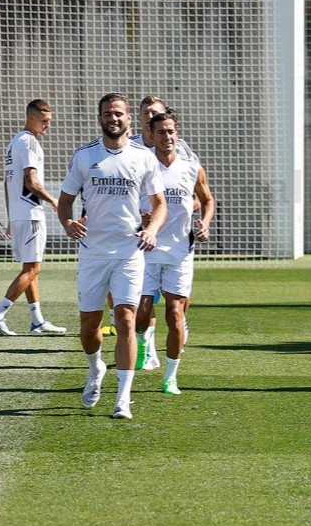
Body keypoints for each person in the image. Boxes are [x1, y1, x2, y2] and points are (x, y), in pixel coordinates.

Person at [58, 93, 167, 420]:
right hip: (92, 253)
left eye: (118, 113)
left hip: (128, 252)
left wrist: (152, 231)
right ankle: (95, 369)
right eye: (107, 113)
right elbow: (65, 202)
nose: (113, 118)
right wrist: (67, 223)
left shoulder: (144, 157)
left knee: (125, 320)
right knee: (89, 326)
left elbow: (159, 204)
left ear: (129, 119)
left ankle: (123, 398)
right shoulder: (84, 156)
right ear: (100, 118)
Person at [135, 110, 214, 395]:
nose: (167, 137)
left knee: (174, 312)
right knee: (141, 312)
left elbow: (206, 200)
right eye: (161, 132)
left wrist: (204, 224)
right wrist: (139, 219)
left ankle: (170, 377)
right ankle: (144, 343)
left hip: (180, 252)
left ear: (176, 132)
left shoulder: (191, 167)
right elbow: (126, 202)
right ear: (152, 136)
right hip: (146, 249)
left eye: (171, 131)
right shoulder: (142, 166)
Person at [129, 94, 201, 365]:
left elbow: (197, 195)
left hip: (178, 244)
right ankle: (145, 345)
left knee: (175, 307)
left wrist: (189, 210)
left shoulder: (185, 156)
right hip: (144, 242)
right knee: (141, 305)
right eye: (146, 114)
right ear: (142, 122)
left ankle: (174, 333)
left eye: (155, 113)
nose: (150, 117)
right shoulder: (133, 152)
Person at [0, 99, 66, 336]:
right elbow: (31, 181)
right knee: (32, 269)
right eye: (45, 121)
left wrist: (10, 218)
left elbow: (7, 183)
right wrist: (53, 200)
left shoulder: (14, 143)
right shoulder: (29, 141)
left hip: (19, 215)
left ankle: (37, 320)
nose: (47, 126)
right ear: (31, 117)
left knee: (31, 267)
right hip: (31, 213)